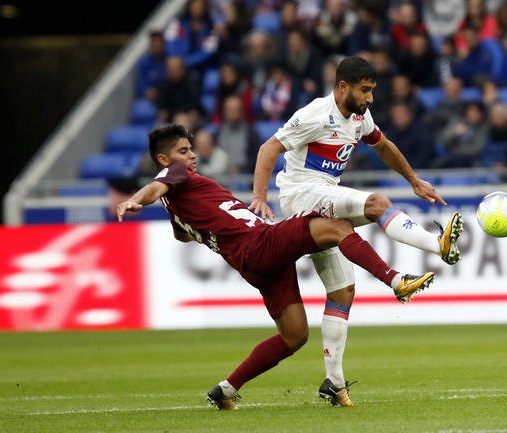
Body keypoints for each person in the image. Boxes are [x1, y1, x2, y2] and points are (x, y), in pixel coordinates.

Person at [116, 124, 437, 410]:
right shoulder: (175, 176)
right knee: (337, 226)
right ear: (163, 160)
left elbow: (183, 234)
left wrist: (210, 225)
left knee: (294, 335)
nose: (191, 156)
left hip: (254, 264)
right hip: (259, 244)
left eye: (191, 150)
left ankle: (226, 389)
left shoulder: (178, 202)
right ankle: (395, 281)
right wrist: (136, 201)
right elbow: (154, 189)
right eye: (183, 151)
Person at [249, 56, 463, 407]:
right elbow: (268, 148)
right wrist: (259, 197)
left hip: (324, 194)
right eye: (365, 90)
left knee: (342, 291)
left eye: (373, 91)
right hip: (302, 194)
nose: (370, 98)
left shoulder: (360, 117)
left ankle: (333, 384)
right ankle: (435, 245)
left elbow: (383, 146)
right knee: (377, 203)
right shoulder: (314, 115)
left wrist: (413, 181)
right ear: (343, 87)